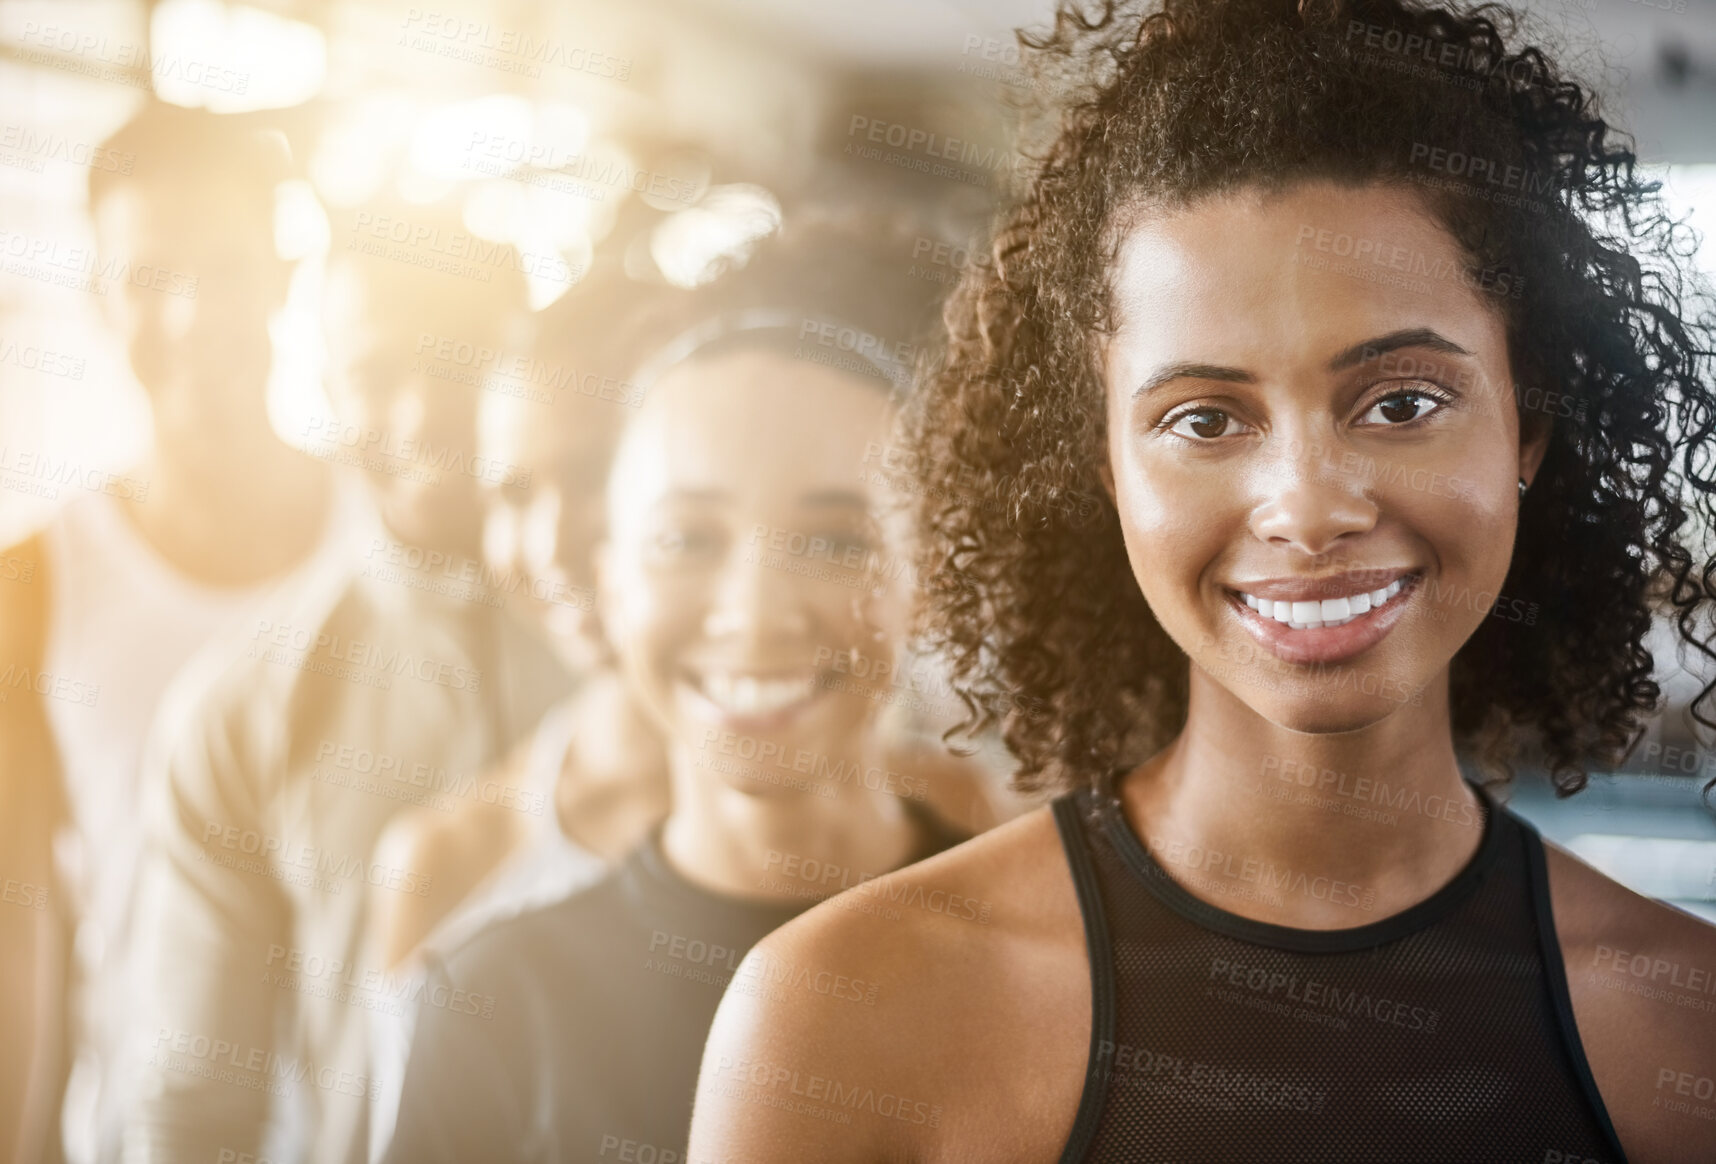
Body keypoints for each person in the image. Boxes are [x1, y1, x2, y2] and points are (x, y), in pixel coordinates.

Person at [689, 2, 1716, 1162]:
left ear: (1528, 423)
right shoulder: (844, 1017)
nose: (1309, 506)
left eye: (1402, 402)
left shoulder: (1685, 1033)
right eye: (1205, 418)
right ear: (1107, 467)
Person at [382, 222, 987, 1163]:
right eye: (685, 539)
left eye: (835, 542)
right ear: (611, 578)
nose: (753, 616)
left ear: (928, 577)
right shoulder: (488, 1003)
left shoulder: (1048, 951)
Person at [124, 201, 571, 1164]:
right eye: (375, 374)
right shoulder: (240, 711)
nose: (421, 413)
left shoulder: (653, 665)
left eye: (461, 358)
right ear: (324, 383)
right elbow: (195, 1107)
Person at [0, 101, 348, 1164]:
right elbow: (22, 936)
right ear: (100, 301)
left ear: (287, 278)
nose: (194, 313)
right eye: (150, 278)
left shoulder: (395, 549)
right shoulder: (33, 586)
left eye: (230, 269)